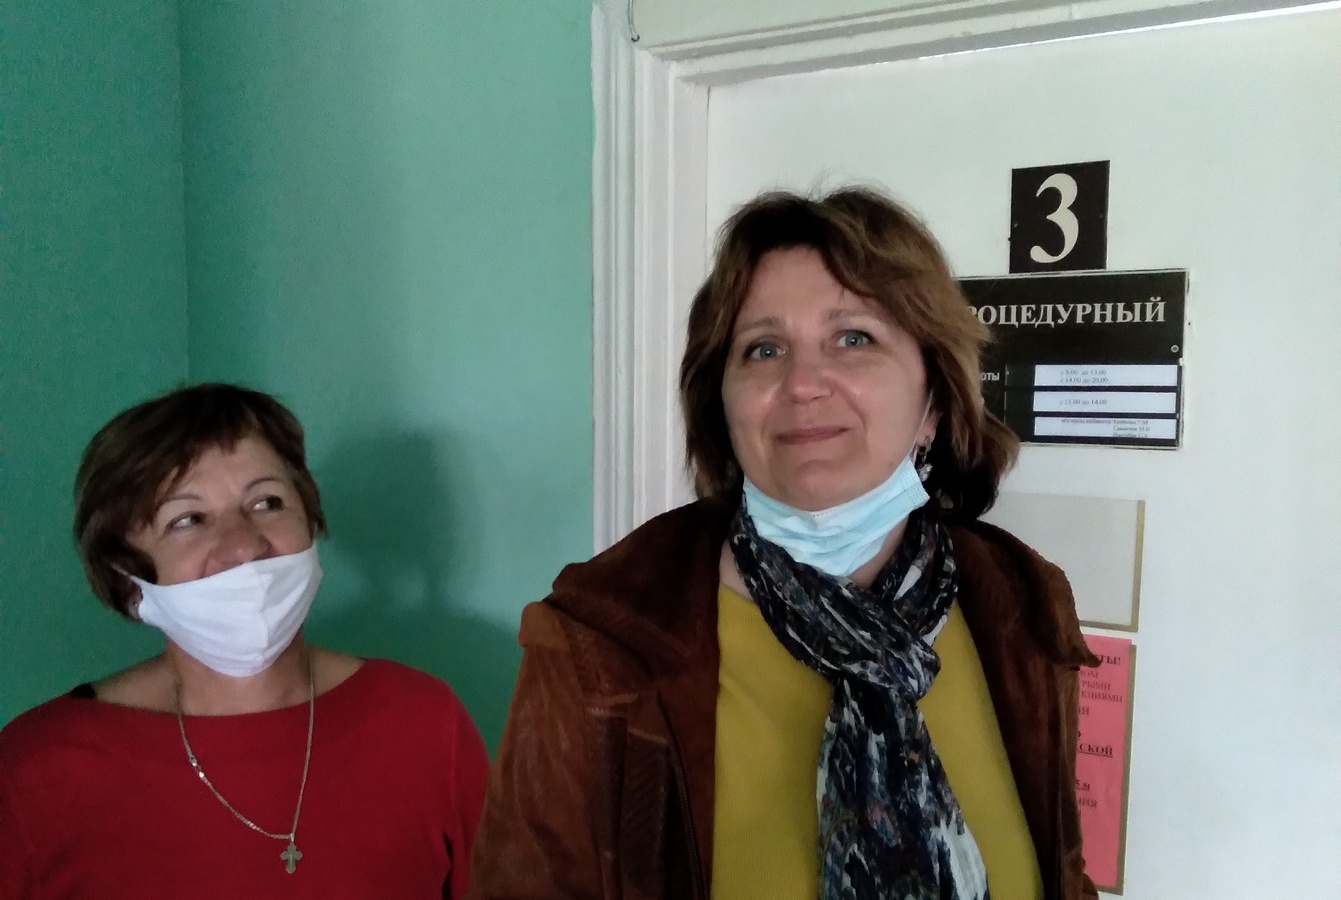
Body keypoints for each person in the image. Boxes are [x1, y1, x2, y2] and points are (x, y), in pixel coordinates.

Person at [470, 188, 1100, 900]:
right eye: (763, 349)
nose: (802, 384)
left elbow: (1062, 872)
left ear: (933, 401)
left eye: (854, 338)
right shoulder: (600, 641)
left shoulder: (1022, 602)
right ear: (721, 404)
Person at [0, 383, 490, 899]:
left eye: (267, 502)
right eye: (188, 520)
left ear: (310, 523)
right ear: (127, 579)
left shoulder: (426, 724)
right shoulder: (35, 769)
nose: (244, 546)